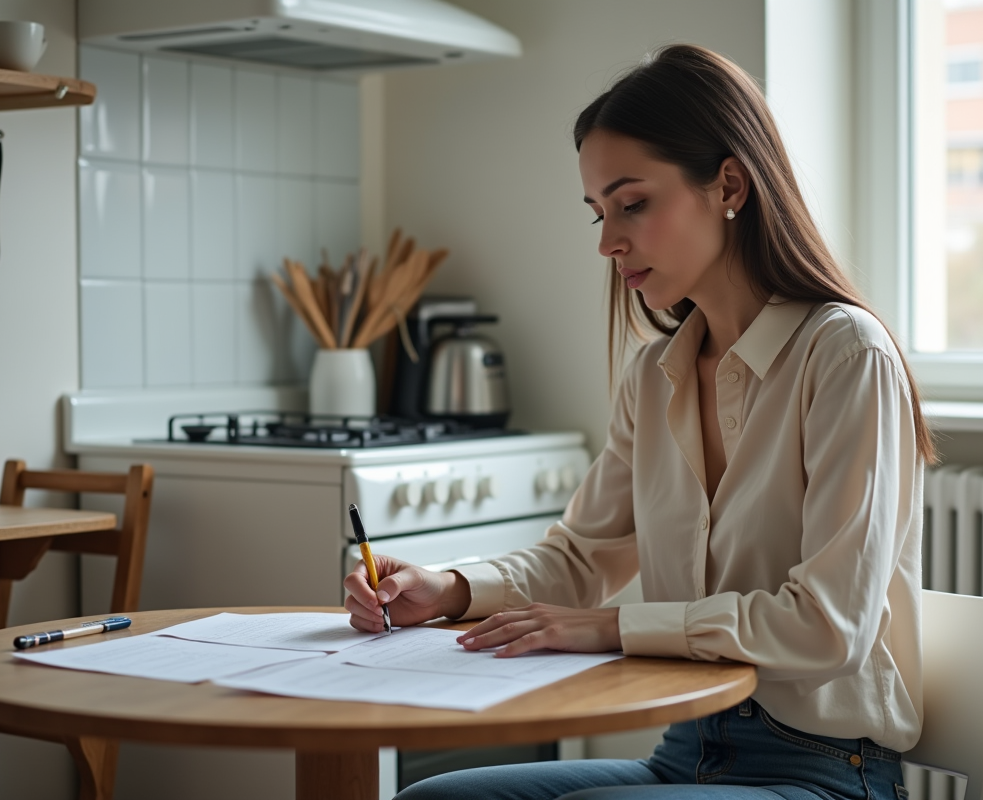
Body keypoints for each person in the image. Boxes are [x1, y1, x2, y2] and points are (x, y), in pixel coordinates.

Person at [345, 43, 931, 800]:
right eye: (598, 211)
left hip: (823, 769)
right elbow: (582, 560)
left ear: (729, 184)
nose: (606, 240)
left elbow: (829, 627)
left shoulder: (847, 356)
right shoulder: (652, 381)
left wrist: (613, 628)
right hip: (687, 751)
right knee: (433, 798)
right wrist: (449, 587)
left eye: (633, 203)